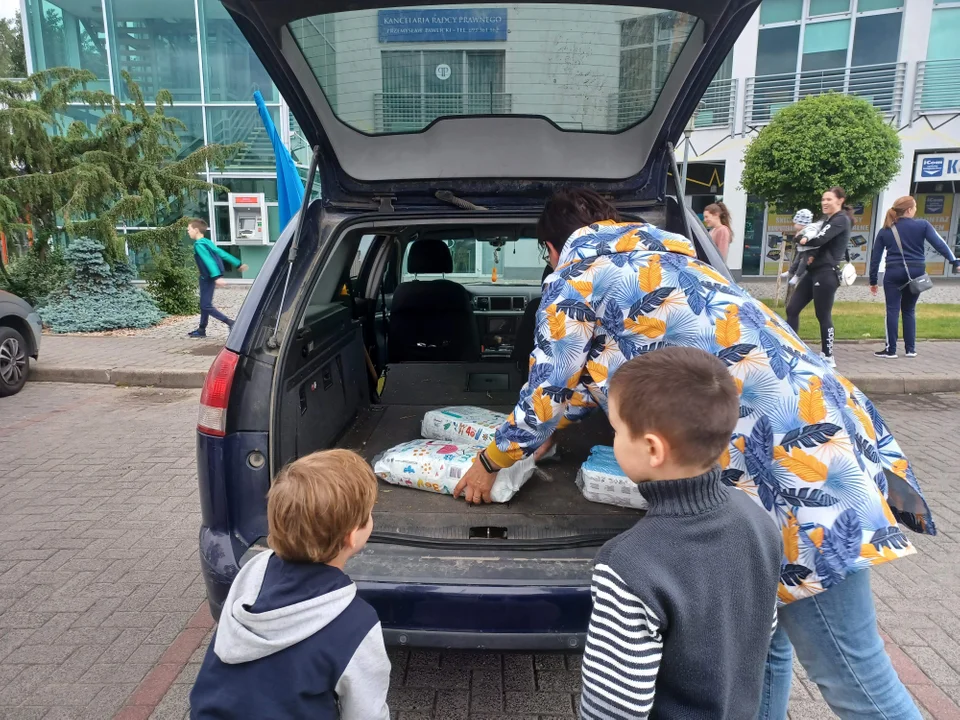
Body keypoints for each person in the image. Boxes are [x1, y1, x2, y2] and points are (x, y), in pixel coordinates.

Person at [452, 187, 933, 720]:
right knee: (759, 647)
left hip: (802, 476)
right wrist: (550, 428)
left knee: (854, 677)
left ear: (551, 248)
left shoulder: (577, 276)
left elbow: (547, 388)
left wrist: (490, 461)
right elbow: (608, 367)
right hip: (820, 433)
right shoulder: (674, 261)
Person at [580, 347, 781, 719]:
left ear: (652, 448)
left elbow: (614, 708)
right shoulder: (757, 519)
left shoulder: (627, 565)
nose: (614, 440)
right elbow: (761, 630)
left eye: (617, 430)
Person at [190, 449, 390, 720]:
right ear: (352, 536)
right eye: (369, 513)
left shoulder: (251, 573)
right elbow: (366, 713)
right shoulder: (356, 623)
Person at [869, 195, 960, 359]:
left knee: (892, 310)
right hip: (917, 272)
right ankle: (910, 349)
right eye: (915, 207)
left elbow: (875, 258)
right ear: (909, 210)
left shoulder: (885, 230)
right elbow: (939, 244)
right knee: (909, 309)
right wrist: (955, 262)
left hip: (894, 272)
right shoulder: (922, 225)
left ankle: (891, 350)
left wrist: (873, 280)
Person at [784, 187, 852, 368]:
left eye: (829, 199)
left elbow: (820, 239)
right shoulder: (827, 219)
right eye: (823, 199)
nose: (824, 202)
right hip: (813, 271)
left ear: (840, 201)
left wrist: (800, 240)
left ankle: (828, 355)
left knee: (822, 314)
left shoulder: (840, 220)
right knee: (792, 308)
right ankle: (792, 348)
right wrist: (803, 242)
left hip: (827, 272)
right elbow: (814, 240)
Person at [188, 219, 248, 338]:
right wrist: (237, 263)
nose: (188, 231)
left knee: (206, 305)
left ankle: (230, 323)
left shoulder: (199, 244)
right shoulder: (207, 242)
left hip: (207, 277)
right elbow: (221, 252)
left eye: (189, 229)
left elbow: (208, 261)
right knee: (204, 303)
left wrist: (216, 277)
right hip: (208, 277)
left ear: (196, 230)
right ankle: (201, 329)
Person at [779, 209, 819, 287]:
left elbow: (812, 233)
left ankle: (797, 276)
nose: (794, 225)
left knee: (802, 263)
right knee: (796, 261)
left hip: (809, 251)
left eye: (796, 223)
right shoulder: (801, 230)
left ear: (802, 223)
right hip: (802, 250)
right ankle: (790, 271)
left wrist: (806, 238)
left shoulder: (809, 228)